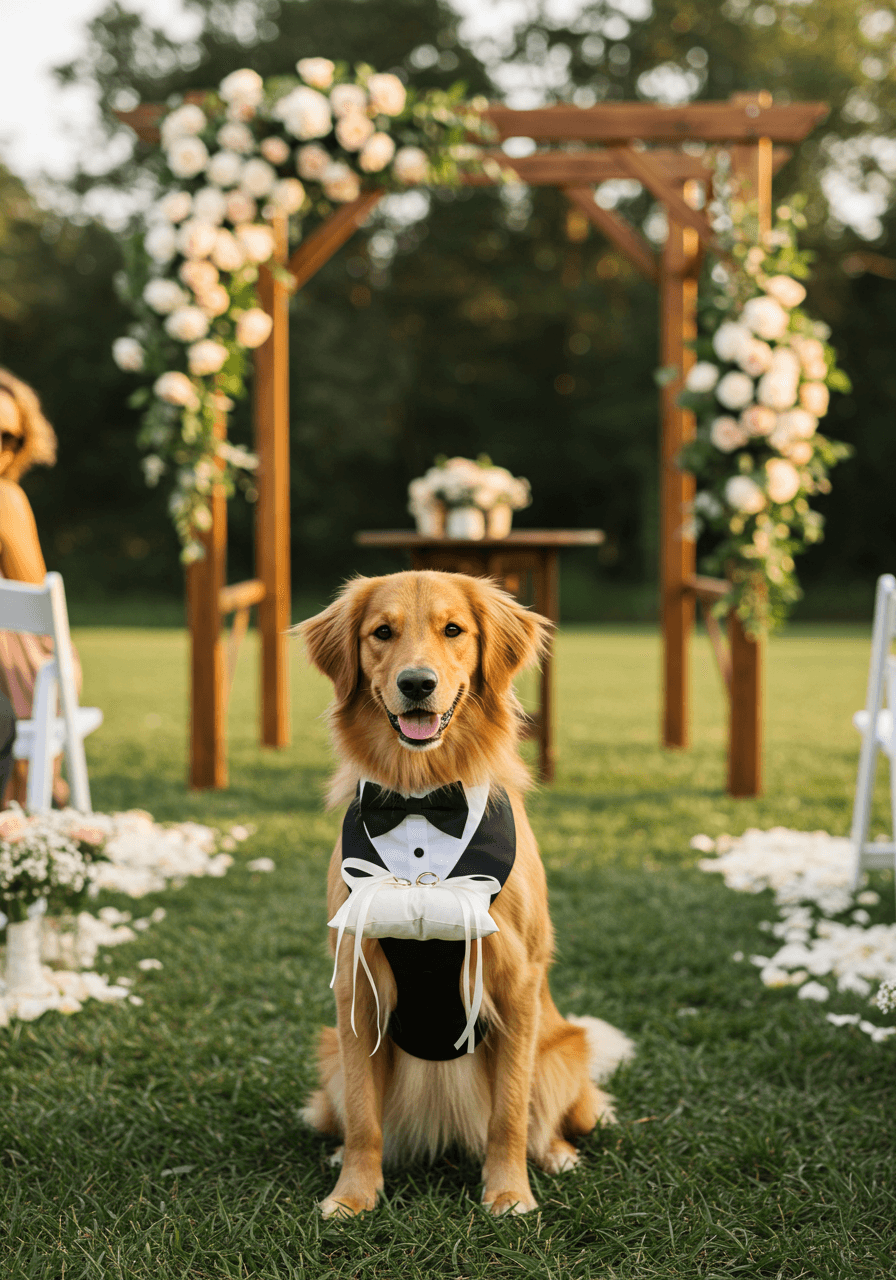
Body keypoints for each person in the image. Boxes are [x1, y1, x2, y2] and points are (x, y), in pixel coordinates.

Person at [0, 368, 79, 807]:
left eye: (8, 437)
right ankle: (40, 795)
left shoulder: (5, 498)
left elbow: (33, 605)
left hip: (23, 657)